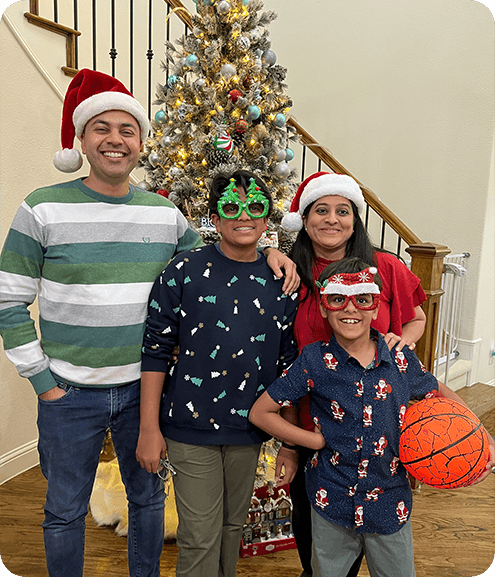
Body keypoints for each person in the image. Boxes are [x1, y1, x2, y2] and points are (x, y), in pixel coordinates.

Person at [0, 69, 297, 577]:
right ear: (82, 138)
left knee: (147, 504)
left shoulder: (165, 216)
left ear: (140, 142)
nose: (115, 139)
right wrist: (44, 383)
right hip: (68, 394)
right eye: (102, 128)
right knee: (64, 510)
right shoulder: (42, 207)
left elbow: (214, 268)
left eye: (127, 130)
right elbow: (9, 303)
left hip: (147, 392)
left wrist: (268, 249)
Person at [249, 258, 495, 577]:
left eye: (362, 299)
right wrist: (311, 440)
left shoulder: (400, 358)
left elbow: (442, 394)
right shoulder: (314, 360)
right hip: (331, 500)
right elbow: (261, 412)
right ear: (324, 307)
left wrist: (483, 438)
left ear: (376, 307)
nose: (350, 309)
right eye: (338, 299)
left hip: (390, 504)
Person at [136, 170, 300, 577]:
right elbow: (155, 352)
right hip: (190, 428)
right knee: (200, 536)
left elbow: (288, 365)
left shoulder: (280, 280)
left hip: (249, 429)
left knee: (232, 528)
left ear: (268, 218)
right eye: (230, 206)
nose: (242, 215)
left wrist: (288, 439)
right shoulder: (183, 271)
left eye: (254, 206)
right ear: (214, 215)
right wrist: (148, 429)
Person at [277, 171, 428, 577]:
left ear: (355, 219)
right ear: (304, 220)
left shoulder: (386, 267)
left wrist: (403, 339)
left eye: (342, 211)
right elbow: (284, 359)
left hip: (381, 442)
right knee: (322, 558)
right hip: (317, 436)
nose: (331, 219)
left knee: (384, 551)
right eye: (320, 210)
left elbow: (417, 318)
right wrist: (292, 444)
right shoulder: (291, 274)